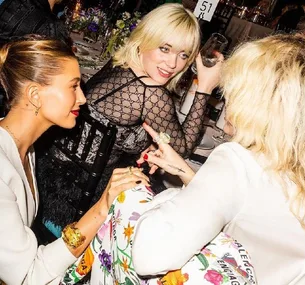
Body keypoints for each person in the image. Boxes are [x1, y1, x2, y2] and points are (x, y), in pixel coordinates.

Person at [130, 35, 305, 284]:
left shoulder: (239, 163)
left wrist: (166, 197)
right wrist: (188, 174)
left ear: (257, 100)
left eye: (234, 87)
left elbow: (149, 256)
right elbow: (255, 212)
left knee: (126, 198)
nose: (226, 96)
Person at [35, 3, 223, 236]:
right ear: (146, 39)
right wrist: (204, 87)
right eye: (165, 49)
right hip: (80, 200)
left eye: (183, 55)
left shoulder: (119, 64)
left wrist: (149, 144)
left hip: (49, 174)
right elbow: (182, 151)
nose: (173, 64)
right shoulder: (151, 92)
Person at [0, 36, 149, 285]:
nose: (82, 98)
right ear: (35, 95)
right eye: (73, 86)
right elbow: (29, 277)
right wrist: (101, 207)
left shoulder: (24, 147)